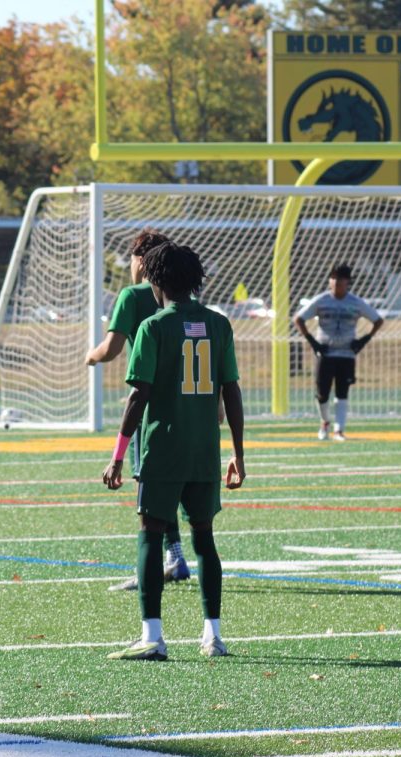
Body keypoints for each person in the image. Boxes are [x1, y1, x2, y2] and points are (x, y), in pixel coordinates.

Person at [102, 241, 245, 661]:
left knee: (150, 532)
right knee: (205, 537)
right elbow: (231, 391)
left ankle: (152, 636)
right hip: (204, 451)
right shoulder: (218, 325)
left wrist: (116, 455)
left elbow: (137, 397)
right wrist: (238, 452)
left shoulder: (153, 327)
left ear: (154, 279)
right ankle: (213, 636)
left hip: (162, 449)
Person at [86, 230, 192, 591]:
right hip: (192, 405)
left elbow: (112, 348)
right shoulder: (186, 298)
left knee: (151, 488)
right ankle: (176, 556)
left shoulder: (132, 295)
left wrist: (91, 356)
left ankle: (165, 564)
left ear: (141, 261)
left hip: (151, 408)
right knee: (184, 492)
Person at [293, 264, 384, 441]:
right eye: (333, 278)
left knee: (342, 392)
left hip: (346, 354)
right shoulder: (321, 300)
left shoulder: (355, 302)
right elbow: (298, 319)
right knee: (322, 393)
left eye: (340, 279)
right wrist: (314, 343)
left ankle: (339, 430)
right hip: (325, 354)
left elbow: (378, 320)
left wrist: (364, 339)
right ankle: (325, 422)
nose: (335, 282)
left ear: (347, 282)